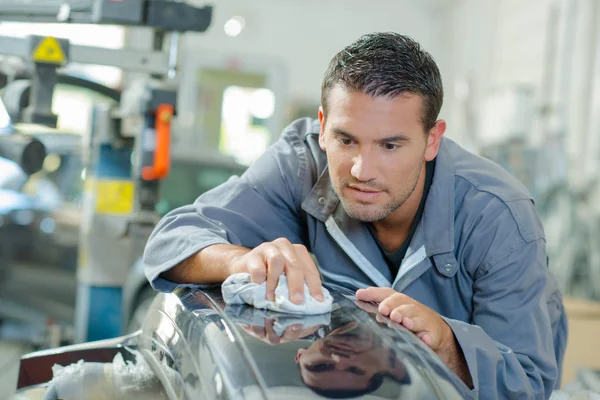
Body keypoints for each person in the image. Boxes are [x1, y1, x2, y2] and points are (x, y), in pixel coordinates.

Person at [143, 32, 567, 399]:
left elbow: (529, 382)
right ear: (323, 126)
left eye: (390, 145)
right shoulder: (300, 166)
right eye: (346, 140)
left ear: (432, 140)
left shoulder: (497, 217)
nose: (362, 171)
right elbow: (170, 242)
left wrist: (447, 344)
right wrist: (240, 259)